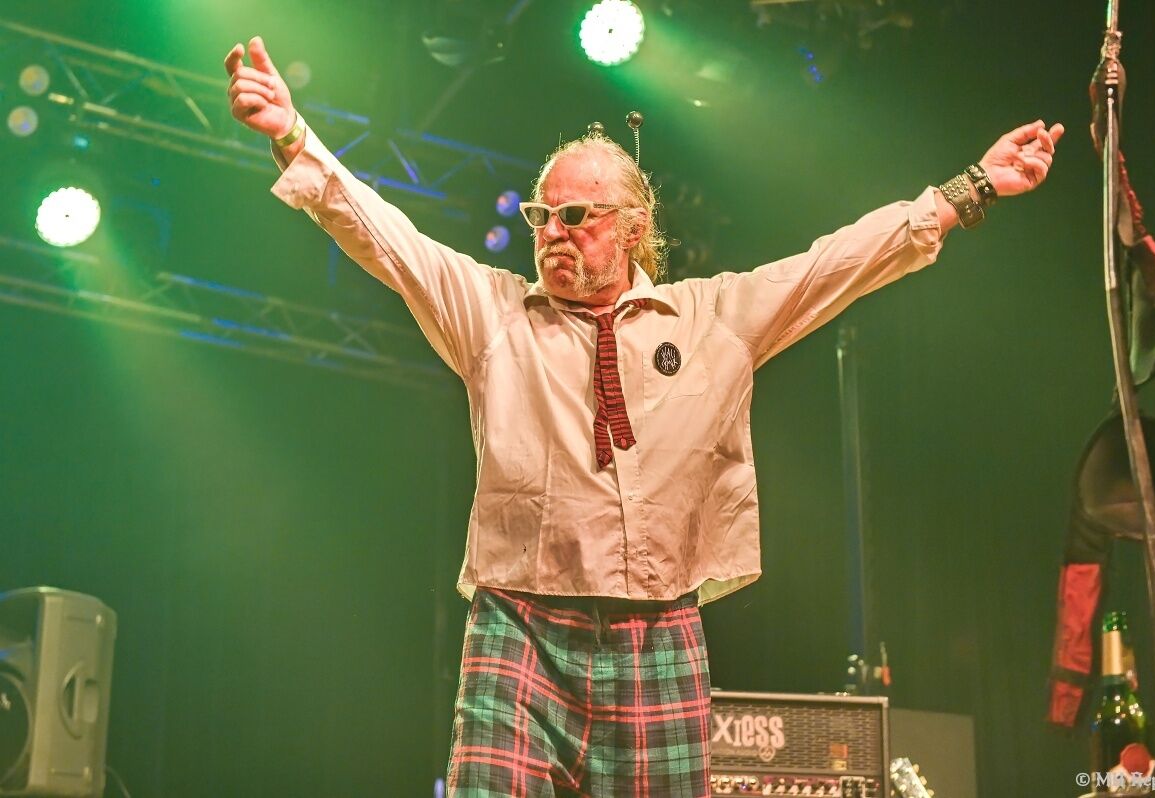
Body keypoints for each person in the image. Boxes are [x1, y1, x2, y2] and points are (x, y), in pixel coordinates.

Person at [224, 35, 1064, 797]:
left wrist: (970, 187)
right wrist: (295, 137)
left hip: (656, 631)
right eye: (542, 216)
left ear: (631, 228)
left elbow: (836, 263)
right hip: (519, 620)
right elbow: (385, 235)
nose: (553, 233)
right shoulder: (495, 316)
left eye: (576, 216)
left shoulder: (710, 320)